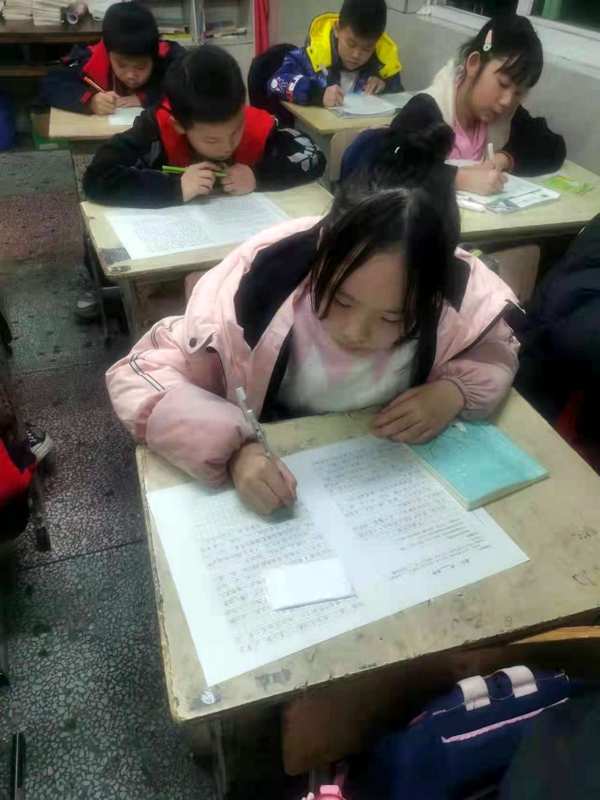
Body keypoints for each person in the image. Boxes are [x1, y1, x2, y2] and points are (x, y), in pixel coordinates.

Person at [105, 121, 519, 516]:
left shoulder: (452, 296)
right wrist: (234, 451)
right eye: (341, 300)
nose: (356, 332)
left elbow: (495, 350)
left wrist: (454, 391)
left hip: (384, 486)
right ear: (322, 245)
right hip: (287, 479)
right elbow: (139, 374)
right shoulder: (254, 298)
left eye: (393, 318)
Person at [341, 14, 565, 193]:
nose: (507, 101)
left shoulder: (505, 117)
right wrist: (459, 179)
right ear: (474, 63)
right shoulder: (426, 110)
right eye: (503, 84)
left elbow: (552, 146)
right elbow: (390, 166)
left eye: (518, 93)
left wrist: (504, 158)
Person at [83, 45, 326, 207]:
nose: (227, 146)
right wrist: (176, 188)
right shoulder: (155, 129)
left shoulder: (251, 121)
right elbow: (96, 178)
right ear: (180, 126)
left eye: (236, 131)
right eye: (212, 140)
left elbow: (314, 156)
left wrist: (258, 176)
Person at [37, 2, 183, 116]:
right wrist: (90, 101)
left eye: (141, 67)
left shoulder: (167, 55)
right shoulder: (89, 58)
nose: (130, 75)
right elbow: (50, 84)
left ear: (154, 55)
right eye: (121, 65)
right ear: (108, 53)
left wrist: (146, 97)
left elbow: (191, 81)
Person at [268, 0, 403, 108]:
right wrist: (317, 94)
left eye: (367, 49)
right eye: (351, 44)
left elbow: (400, 104)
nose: (356, 55)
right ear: (337, 29)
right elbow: (275, 82)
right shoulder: (311, 57)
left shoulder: (384, 68)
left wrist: (385, 87)